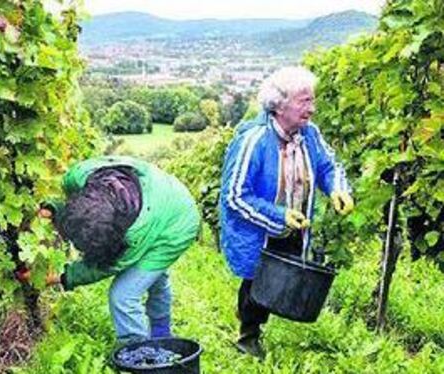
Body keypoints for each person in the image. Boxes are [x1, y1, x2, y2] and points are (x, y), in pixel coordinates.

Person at [219, 66, 354, 359]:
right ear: (280, 105)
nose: (312, 108)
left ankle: (266, 319)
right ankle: (247, 336)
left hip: (295, 224)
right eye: (304, 101)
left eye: (312, 100)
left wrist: (337, 189)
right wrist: (279, 216)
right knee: (256, 279)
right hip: (259, 228)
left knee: (280, 275)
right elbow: (234, 196)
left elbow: (329, 166)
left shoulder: (309, 134)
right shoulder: (253, 141)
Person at [40, 156, 200, 344]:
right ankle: (161, 334)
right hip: (162, 194)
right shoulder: (79, 176)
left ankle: (138, 353)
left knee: (123, 296)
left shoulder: (133, 236)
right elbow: (79, 206)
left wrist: (61, 278)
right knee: (151, 277)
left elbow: (107, 266)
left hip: (178, 225)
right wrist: (54, 209)